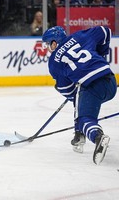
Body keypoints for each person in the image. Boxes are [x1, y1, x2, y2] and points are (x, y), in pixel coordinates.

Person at [41, 26, 117, 165]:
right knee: (84, 104)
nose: (48, 48)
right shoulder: (80, 36)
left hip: (92, 86)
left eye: (48, 44)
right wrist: (100, 54)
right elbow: (105, 31)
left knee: (85, 119)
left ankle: (97, 137)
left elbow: (69, 91)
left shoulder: (53, 63)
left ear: (54, 43)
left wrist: (78, 102)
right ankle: (79, 135)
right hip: (110, 81)